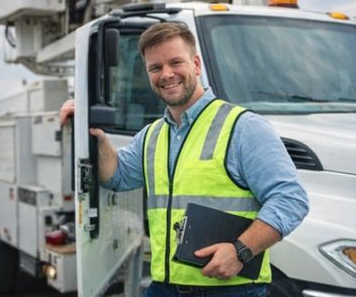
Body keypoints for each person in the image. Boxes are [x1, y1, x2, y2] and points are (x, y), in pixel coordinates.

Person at [60, 22, 309, 297]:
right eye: (155, 68)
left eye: (175, 62)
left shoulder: (243, 127)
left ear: (196, 64)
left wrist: (240, 250)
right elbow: (116, 176)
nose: (166, 74)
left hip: (231, 291)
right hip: (165, 287)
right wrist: (88, 126)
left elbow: (291, 199)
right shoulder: (151, 135)